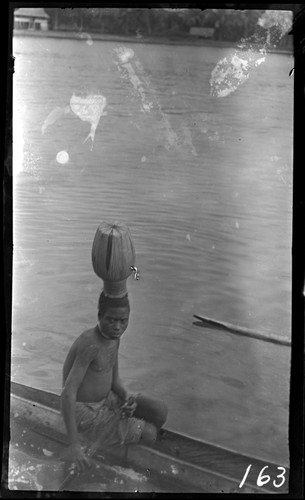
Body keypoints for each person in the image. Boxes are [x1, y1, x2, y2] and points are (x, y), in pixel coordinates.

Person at [60, 291, 168, 471]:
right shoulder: (90, 344)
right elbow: (67, 394)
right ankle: (122, 444)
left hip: (107, 400)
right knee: (150, 433)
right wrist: (74, 444)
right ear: (99, 316)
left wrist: (126, 398)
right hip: (86, 411)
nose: (118, 326)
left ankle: (122, 436)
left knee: (159, 411)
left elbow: (114, 381)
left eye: (123, 321)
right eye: (111, 320)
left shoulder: (113, 338)